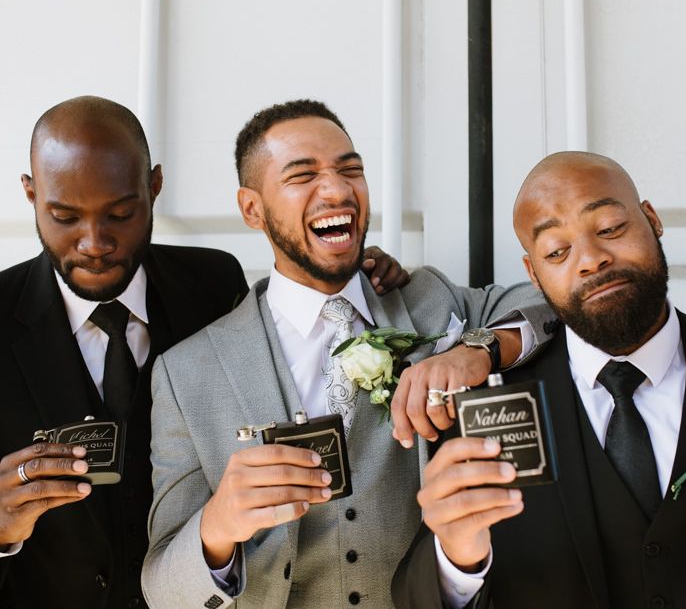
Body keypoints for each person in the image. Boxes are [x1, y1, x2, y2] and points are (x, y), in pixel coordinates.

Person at [140, 99, 555, 608]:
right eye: (303, 174)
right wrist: (218, 525)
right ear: (252, 209)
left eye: (350, 169)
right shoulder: (185, 374)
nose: (337, 190)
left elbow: (553, 302)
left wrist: (479, 350)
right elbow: (161, 590)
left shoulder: (430, 300)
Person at [0, 95, 406, 609]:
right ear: (30, 194)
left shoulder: (214, 282)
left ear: (154, 188)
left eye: (121, 214)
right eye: (64, 216)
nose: (94, 242)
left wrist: (351, 268)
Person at [392, 152, 686, 608]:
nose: (591, 260)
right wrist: (458, 558)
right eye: (557, 251)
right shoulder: (479, 407)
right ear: (533, 273)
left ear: (651, 219)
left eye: (610, 227)